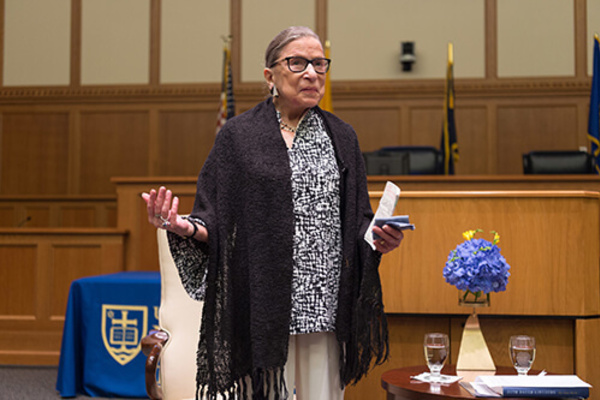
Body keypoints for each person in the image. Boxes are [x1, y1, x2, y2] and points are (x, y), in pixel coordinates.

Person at [142, 26, 404, 400]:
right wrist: (181, 226)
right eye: (297, 63)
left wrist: (379, 238)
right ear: (270, 76)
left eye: (319, 64)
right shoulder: (239, 136)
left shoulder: (342, 136)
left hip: (324, 306)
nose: (311, 73)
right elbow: (215, 219)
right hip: (261, 304)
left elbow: (357, 221)